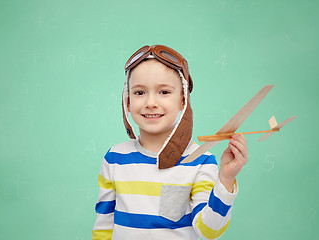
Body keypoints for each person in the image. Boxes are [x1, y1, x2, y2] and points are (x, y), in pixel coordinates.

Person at [92, 45, 248, 240]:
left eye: (164, 92)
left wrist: (226, 179)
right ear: (127, 101)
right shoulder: (114, 158)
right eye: (140, 93)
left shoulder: (200, 161)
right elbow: (104, 224)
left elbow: (209, 231)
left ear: (183, 100)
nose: (150, 102)